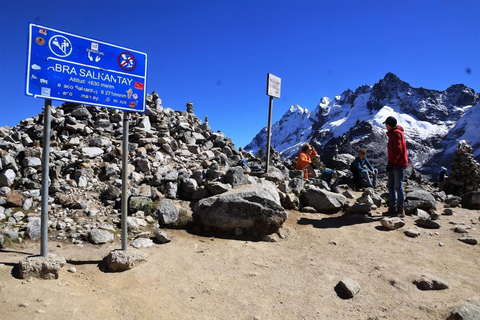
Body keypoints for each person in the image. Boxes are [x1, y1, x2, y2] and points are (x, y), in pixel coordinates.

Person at [383, 116, 409, 217]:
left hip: (397, 164)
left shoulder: (396, 133)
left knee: (397, 186)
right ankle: (393, 207)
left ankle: (400, 209)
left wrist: (392, 162)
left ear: (389, 125)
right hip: (395, 163)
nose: (385, 126)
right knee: (391, 186)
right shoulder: (395, 133)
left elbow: (398, 149)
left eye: (386, 124)